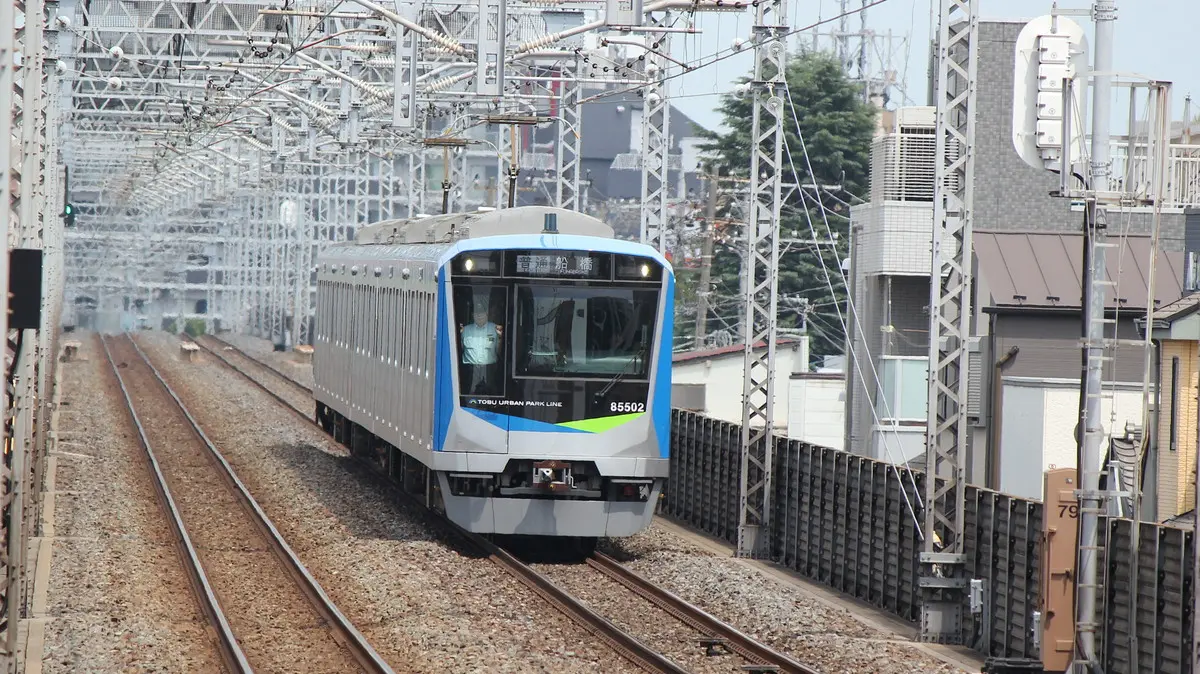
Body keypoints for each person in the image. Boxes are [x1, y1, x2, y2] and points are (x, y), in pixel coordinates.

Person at [461, 306, 500, 394]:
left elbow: (499, 350)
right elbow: (461, 349)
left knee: (490, 396)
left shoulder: (496, 329)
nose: (479, 315)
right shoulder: (465, 330)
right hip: (470, 371)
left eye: (482, 313)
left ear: (487, 314)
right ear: (472, 315)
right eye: (476, 313)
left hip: (489, 371)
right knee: (469, 394)